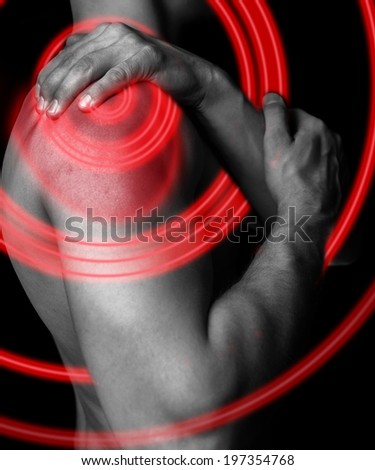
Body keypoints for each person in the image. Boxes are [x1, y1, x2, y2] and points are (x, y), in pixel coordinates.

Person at [2, 11, 342, 450]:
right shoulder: (110, 119)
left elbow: (343, 231)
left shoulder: (172, 88)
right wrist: (305, 220)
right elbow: (184, 440)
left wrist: (211, 89)